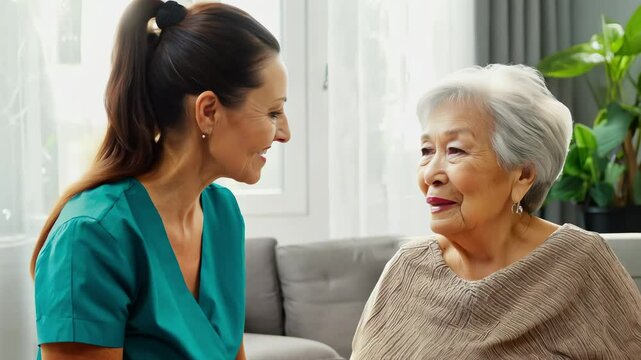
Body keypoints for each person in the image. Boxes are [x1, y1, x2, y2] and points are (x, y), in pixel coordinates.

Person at [31, 1, 290, 359]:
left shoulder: (223, 215)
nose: (285, 133)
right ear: (208, 111)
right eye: (273, 112)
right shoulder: (90, 237)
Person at [350, 64, 641, 359]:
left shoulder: (580, 262)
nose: (431, 175)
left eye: (455, 151)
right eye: (426, 151)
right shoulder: (407, 268)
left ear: (524, 175)